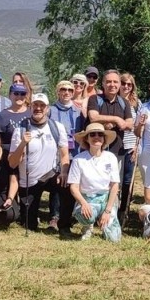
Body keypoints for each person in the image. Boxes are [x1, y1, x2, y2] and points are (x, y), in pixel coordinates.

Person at [10, 93, 70, 231]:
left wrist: (64, 172)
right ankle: (31, 218)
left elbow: (65, 154)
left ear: (47, 108)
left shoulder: (57, 127)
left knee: (67, 187)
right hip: (29, 182)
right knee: (29, 225)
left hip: (50, 175)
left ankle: (63, 224)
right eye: (35, 105)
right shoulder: (20, 129)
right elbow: (12, 163)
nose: (38, 108)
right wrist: (22, 144)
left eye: (42, 105)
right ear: (30, 107)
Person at [68, 122, 121, 242]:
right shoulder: (78, 160)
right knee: (86, 216)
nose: (96, 137)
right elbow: (73, 187)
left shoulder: (111, 157)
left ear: (104, 138)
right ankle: (88, 226)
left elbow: (114, 185)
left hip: (107, 199)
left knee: (114, 239)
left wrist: (107, 211)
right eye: (92, 134)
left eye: (100, 134)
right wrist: (83, 203)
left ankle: (105, 224)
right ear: (87, 139)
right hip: (87, 199)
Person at [47, 79, 85, 233]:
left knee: (72, 184)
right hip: (56, 153)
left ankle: (68, 216)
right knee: (57, 184)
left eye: (70, 90)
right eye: (63, 89)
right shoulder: (50, 110)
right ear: (58, 91)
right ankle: (54, 216)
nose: (67, 92)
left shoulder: (78, 111)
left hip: (75, 152)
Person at [117, 72, 140, 224]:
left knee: (127, 181)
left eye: (129, 84)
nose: (126, 86)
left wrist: (137, 146)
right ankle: (111, 208)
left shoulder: (136, 104)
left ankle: (123, 211)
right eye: (123, 83)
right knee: (114, 180)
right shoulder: (113, 101)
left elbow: (139, 127)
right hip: (116, 146)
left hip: (130, 147)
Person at [0, 83, 31, 150]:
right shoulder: (0, 116)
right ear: (10, 95)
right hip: (8, 155)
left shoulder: (31, 114)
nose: (19, 96)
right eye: (16, 93)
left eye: (22, 94)